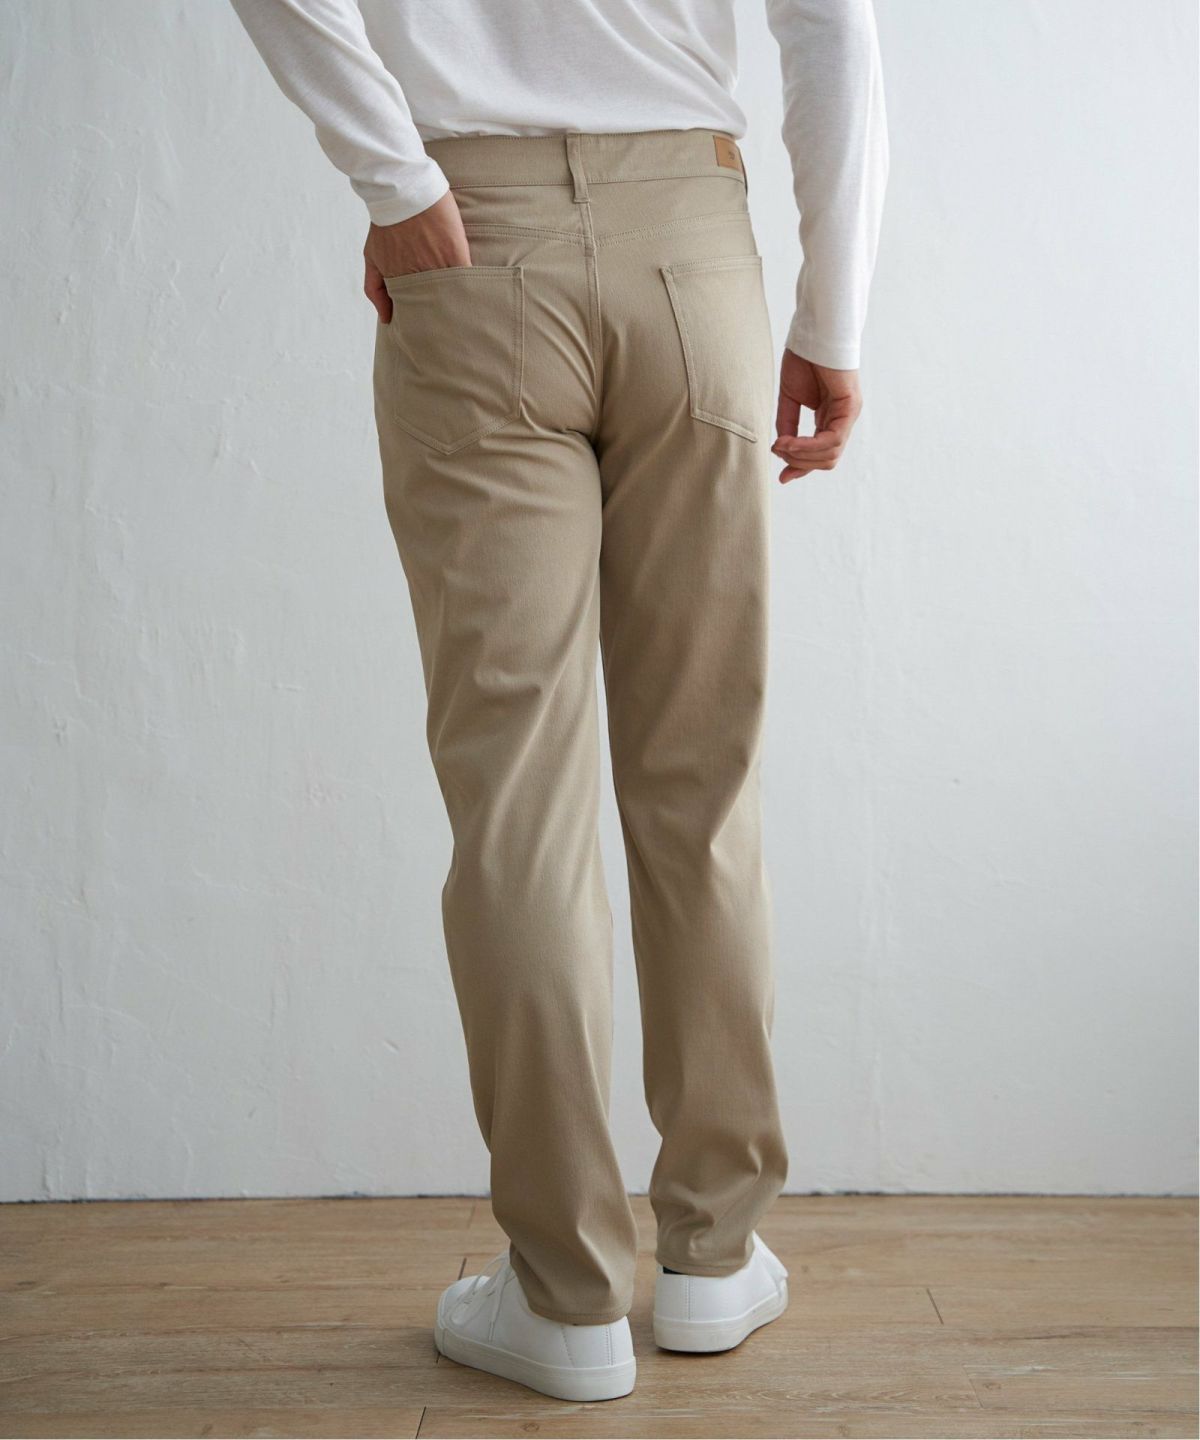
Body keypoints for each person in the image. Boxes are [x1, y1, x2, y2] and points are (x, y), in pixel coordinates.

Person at [229, 0, 887, 1404]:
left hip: (472, 241)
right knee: (699, 786)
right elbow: (831, 28)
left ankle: (565, 1293)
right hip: (692, 247)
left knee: (517, 797)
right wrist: (831, 313)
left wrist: (397, 181)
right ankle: (713, 1256)